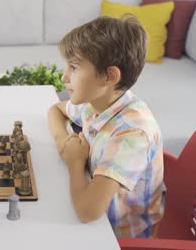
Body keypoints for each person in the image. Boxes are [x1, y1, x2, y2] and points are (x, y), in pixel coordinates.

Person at [48, 15, 165, 238]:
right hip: (95, 209)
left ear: (109, 76)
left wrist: (74, 161)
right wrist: (64, 141)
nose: (64, 77)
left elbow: (87, 212)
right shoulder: (96, 102)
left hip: (118, 236)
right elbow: (55, 110)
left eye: (73, 67)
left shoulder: (133, 134)